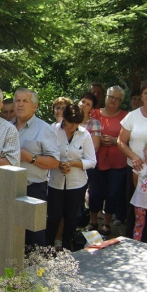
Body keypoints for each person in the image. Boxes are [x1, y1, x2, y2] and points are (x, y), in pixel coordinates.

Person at [12, 88, 60, 246]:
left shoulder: (44, 129)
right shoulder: (6, 127)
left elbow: (54, 162)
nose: (20, 104)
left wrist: (30, 157)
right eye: (17, 100)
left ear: (35, 106)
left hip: (33, 189)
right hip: (9, 188)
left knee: (34, 236)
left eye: (25, 101)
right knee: (12, 234)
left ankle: (38, 269)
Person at [46, 104, 96, 250]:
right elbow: (46, 153)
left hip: (76, 183)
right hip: (55, 181)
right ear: (64, 119)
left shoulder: (84, 134)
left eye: (76, 124)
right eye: (70, 123)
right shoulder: (52, 130)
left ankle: (68, 248)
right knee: (53, 217)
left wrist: (74, 163)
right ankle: (47, 249)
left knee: (71, 217)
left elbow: (92, 161)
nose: (73, 126)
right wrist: (58, 164)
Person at [118, 78, 147, 240]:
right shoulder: (132, 116)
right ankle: (132, 241)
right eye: (145, 93)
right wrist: (134, 156)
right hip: (135, 170)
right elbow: (121, 141)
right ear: (141, 96)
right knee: (134, 207)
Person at [87, 86, 128, 236]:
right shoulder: (95, 114)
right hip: (97, 160)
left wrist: (115, 140)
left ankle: (106, 222)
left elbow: (131, 138)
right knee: (95, 191)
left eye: (117, 99)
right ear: (106, 97)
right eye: (111, 97)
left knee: (113, 193)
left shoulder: (126, 116)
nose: (113, 101)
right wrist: (98, 139)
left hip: (118, 162)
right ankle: (92, 221)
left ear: (122, 101)